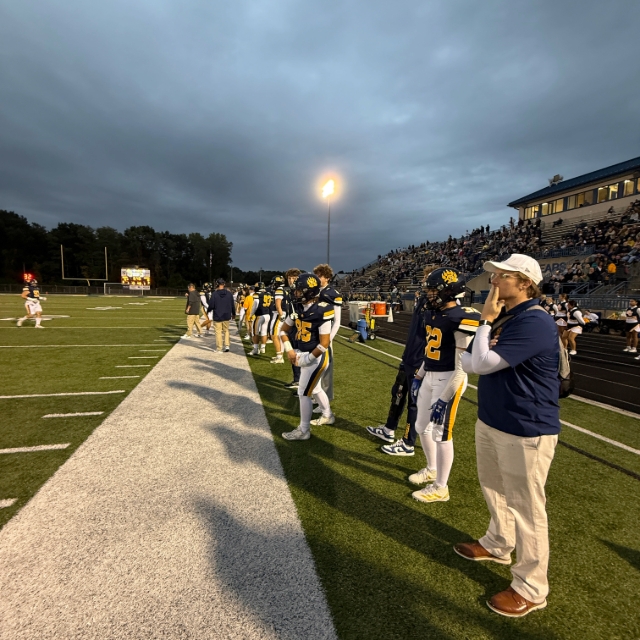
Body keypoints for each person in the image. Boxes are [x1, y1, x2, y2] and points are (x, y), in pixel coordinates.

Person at [456, 253, 559, 618]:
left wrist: (484, 323)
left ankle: (532, 587)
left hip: (525, 426)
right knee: (494, 487)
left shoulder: (535, 322)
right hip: (494, 419)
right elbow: (468, 362)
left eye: (502, 276)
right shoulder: (510, 317)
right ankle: (499, 542)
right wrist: (487, 328)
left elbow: (481, 363)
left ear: (525, 283)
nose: (493, 281)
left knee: (528, 508)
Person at [402, 268, 480, 503]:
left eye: (434, 290)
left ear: (449, 291)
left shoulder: (462, 317)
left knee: (442, 434)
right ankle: (432, 468)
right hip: (431, 374)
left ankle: (441, 487)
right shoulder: (432, 314)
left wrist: (445, 398)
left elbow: (461, 367)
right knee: (420, 426)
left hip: (450, 378)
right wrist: (419, 375)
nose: (430, 294)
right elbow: (430, 351)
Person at [279, 273, 334, 441]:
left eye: (298, 290)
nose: (295, 293)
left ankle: (304, 430)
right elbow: (283, 330)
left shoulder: (322, 310)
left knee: (303, 392)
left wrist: (308, 358)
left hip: (317, 357)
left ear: (309, 292)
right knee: (315, 389)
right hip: (303, 354)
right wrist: (289, 350)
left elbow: (324, 343)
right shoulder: (297, 308)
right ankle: (327, 415)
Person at [209, 278, 234, 352]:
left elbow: (211, 305)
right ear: (224, 284)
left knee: (218, 332)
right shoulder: (229, 294)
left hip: (217, 315)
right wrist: (234, 313)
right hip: (226, 314)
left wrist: (209, 310)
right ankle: (227, 345)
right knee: (226, 330)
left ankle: (219, 348)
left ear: (217, 284)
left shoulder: (215, 294)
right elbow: (232, 305)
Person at [250, 283, 272, 356]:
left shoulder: (257, 295)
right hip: (267, 314)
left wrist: (251, 314)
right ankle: (263, 347)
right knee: (264, 331)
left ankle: (256, 349)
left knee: (255, 332)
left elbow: (255, 306)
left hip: (259, 315)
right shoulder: (268, 294)